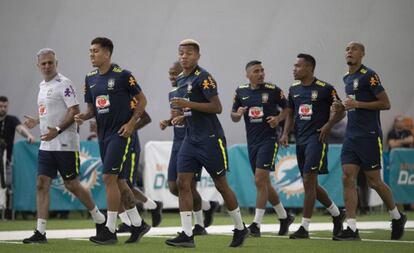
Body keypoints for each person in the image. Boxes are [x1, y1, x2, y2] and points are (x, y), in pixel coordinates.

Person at [165, 39, 249, 248]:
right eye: (181, 53)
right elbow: (192, 110)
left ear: (198, 56)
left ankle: (240, 228)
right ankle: (187, 234)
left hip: (211, 140)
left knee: (221, 185)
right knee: (182, 183)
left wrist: (187, 104)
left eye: (189, 53)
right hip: (190, 139)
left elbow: (217, 107)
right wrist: (181, 117)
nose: (184, 56)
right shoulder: (181, 79)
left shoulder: (204, 77)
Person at [22, 48, 106, 244]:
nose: (47, 66)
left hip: (65, 143)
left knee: (72, 184)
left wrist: (57, 130)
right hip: (46, 144)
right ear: (38, 66)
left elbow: (74, 111)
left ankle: (99, 219)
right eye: (43, 63)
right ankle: (40, 232)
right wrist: (37, 120)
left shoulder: (64, 83)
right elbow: (50, 111)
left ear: (56, 63)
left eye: (50, 62)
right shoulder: (42, 85)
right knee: (42, 183)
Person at [74, 37, 150, 245]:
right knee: (118, 180)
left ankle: (109, 230)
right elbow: (92, 110)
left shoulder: (123, 75)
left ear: (107, 54)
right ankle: (138, 223)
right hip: (103, 135)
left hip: (120, 134)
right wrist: (83, 116)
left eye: (95, 51)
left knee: (109, 178)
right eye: (90, 51)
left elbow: (142, 100)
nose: (91, 54)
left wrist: (132, 123)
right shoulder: (90, 78)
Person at [333, 41, 407, 241]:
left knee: (374, 181)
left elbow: (385, 103)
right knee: (347, 178)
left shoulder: (369, 75)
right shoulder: (346, 77)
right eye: (347, 49)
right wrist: (341, 107)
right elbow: (352, 105)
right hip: (351, 136)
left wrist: (357, 103)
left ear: (362, 54)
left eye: (354, 49)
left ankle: (397, 216)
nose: (349, 51)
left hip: (369, 135)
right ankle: (352, 228)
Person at [280, 53, 345, 239]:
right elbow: (290, 113)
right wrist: (285, 133)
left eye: (298, 66)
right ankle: (337, 214)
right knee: (311, 184)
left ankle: (304, 228)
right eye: (294, 66)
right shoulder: (293, 89)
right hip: (300, 140)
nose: (294, 69)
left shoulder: (326, 89)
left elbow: (341, 112)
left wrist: (328, 125)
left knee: (309, 180)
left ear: (309, 68)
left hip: (317, 140)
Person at [231, 60, 294, 237]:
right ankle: (284, 217)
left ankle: (256, 225)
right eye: (256, 71)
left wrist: (278, 119)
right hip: (252, 142)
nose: (261, 73)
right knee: (264, 183)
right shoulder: (241, 91)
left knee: (259, 180)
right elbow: (233, 115)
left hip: (269, 140)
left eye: (262, 70)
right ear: (248, 74)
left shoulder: (273, 90)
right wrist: (238, 114)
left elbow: (288, 109)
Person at [160, 61, 219, 236]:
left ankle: (198, 225)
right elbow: (179, 117)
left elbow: (192, 115)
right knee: (173, 187)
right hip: (177, 143)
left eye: (174, 73)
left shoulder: (192, 91)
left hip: (191, 142)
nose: (171, 77)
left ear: (182, 74)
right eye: (169, 73)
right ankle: (208, 206)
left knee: (188, 186)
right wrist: (168, 122)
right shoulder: (172, 93)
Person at [117, 110, 164, 231]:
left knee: (126, 185)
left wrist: (131, 128)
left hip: (130, 147)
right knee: (114, 184)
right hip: (114, 146)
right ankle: (127, 221)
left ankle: (153, 206)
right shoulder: (103, 98)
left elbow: (146, 118)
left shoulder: (129, 98)